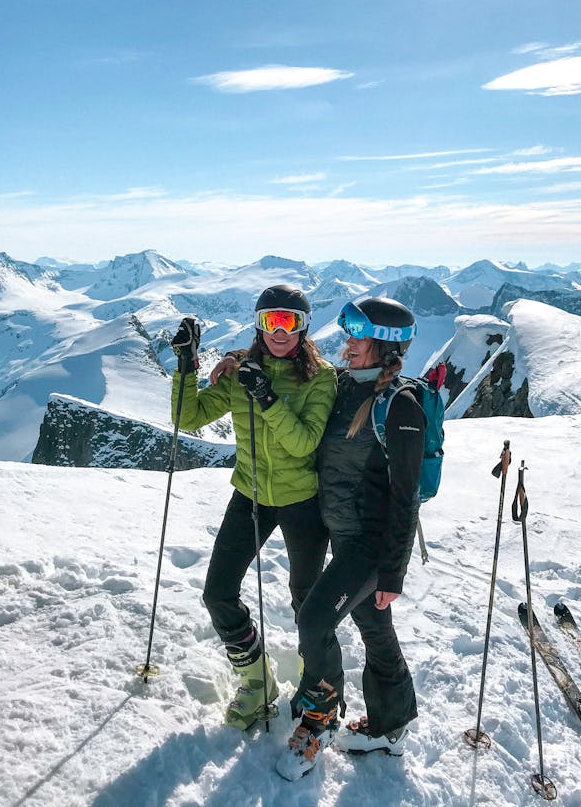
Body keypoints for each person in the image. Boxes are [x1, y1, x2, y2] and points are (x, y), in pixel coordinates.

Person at [170, 284, 337, 730]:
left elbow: (303, 442)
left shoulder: (321, 378)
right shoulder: (242, 371)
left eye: (289, 321)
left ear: (303, 327)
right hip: (250, 494)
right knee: (217, 592)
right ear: (258, 325)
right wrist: (187, 366)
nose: (279, 331)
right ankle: (256, 678)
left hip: (302, 500)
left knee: (307, 601)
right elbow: (189, 418)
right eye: (270, 321)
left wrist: (266, 397)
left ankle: (316, 682)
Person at [276, 297, 426, 781]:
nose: (348, 342)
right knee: (374, 627)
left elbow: (407, 497)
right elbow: (290, 365)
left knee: (314, 620)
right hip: (340, 532)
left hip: (368, 545)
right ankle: (391, 724)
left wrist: (393, 572)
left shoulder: (399, 406)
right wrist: (234, 362)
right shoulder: (342, 386)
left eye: (359, 336)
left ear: (383, 347)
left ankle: (320, 720)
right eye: (349, 333)